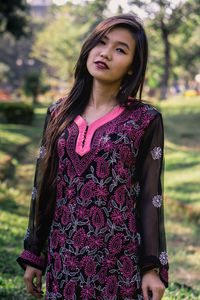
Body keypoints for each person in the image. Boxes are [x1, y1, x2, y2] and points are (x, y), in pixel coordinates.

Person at [17, 13, 169, 300]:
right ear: (89, 47)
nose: (106, 53)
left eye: (120, 49)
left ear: (131, 67)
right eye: (101, 42)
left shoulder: (145, 120)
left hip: (119, 262)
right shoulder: (58, 113)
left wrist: (152, 268)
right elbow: (45, 185)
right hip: (64, 258)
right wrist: (35, 253)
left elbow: (151, 197)